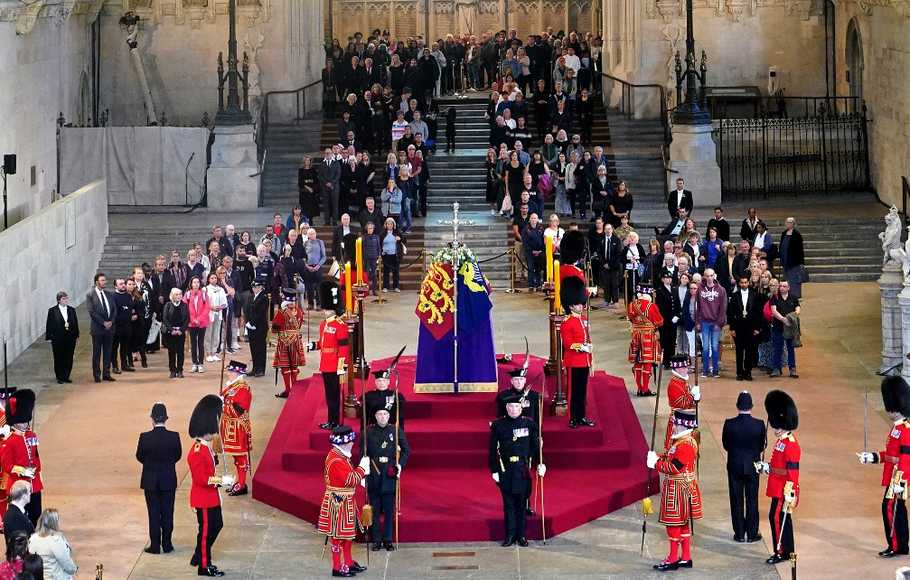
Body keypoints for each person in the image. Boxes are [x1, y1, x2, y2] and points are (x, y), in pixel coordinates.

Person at [857, 376, 910, 558]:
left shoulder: (905, 429)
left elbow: (906, 458)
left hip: (898, 477)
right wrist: (872, 457)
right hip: (895, 474)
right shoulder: (897, 428)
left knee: (890, 508)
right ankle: (901, 544)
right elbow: (891, 455)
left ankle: (896, 545)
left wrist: (901, 481)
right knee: (896, 509)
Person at [646, 409, 703, 571]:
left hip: (678, 488)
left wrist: (656, 464)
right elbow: (670, 457)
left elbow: (674, 467)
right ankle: (685, 557)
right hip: (681, 487)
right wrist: (657, 457)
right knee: (683, 523)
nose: (673, 427)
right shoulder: (682, 441)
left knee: (673, 524)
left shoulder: (685, 445)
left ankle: (672, 558)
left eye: (676, 424)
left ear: (682, 425)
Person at [489, 391, 546, 547]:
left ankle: (521, 535)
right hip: (505, 469)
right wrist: (494, 470)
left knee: (521, 505)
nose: (514, 409)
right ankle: (510, 535)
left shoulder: (529, 425)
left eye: (516, 406)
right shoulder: (498, 426)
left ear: (521, 408)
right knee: (508, 505)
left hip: (522, 470)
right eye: (511, 406)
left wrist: (541, 464)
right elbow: (492, 449)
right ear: (506, 408)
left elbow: (536, 448)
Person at [187, 395, 234, 577]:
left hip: (211, 498)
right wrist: (222, 480)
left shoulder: (206, 447)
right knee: (206, 533)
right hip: (203, 499)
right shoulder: (198, 451)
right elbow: (202, 479)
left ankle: (199, 556)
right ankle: (204, 565)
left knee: (217, 525)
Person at [755, 390, 801, 565]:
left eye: (777, 425)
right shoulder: (782, 441)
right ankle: (786, 550)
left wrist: (791, 492)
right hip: (778, 486)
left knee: (776, 518)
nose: (774, 428)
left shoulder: (791, 445)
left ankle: (781, 551)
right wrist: (766, 468)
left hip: (784, 489)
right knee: (780, 519)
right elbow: (778, 467)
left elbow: (792, 473)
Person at [319, 425, 369, 577]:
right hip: (338, 503)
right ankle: (336, 566)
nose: (353, 443)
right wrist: (362, 468)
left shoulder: (340, 455)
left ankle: (348, 562)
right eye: (350, 441)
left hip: (345, 501)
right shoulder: (336, 460)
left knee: (348, 534)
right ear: (343, 443)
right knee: (338, 536)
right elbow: (350, 479)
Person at [135, 402, 181, 555]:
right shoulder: (174, 437)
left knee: (153, 513)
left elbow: (139, 456)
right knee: (168, 512)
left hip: (150, 481)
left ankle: (155, 545)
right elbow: (177, 456)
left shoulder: (145, 437)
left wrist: (150, 465)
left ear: (152, 419)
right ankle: (167, 544)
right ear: (166, 419)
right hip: (168, 480)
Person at [363, 408, 410, 552]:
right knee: (375, 510)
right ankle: (376, 540)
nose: (382, 417)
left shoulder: (395, 431)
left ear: (389, 416)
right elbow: (362, 453)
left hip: (389, 473)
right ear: (375, 416)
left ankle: (388, 539)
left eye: (385, 414)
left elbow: (406, 450)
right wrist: (363, 471)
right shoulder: (368, 432)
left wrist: (399, 465)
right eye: (379, 414)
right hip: (374, 472)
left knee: (389, 510)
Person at [722, 391, 766, 544]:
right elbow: (761, 446)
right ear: (751, 406)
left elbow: (726, 444)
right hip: (753, 466)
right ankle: (752, 533)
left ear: (737, 406)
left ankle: (739, 533)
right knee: (752, 500)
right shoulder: (759, 425)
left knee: (736, 499)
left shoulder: (729, 424)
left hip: (734, 465)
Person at [307, 281, 349, 429]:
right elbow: (322, 343)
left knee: (334, 397)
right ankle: (331, 420)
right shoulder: (323, 324)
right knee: (329, 396)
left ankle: (335, 421)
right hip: (325, 364)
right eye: (325, 309)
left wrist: (341, 366)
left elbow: (344, 347)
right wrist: (313, 345)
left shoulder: (340, 325)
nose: (325, 311)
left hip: (334, 365)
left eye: (327, 309)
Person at [2, 390, 41, 526]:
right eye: (22, 421)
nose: (25, 423)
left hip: (34, 483)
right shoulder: (9, 441)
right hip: (18, 484)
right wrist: (24, 471)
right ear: (15, 422)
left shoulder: (32, 436)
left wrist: (37, 472)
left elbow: (35, 457)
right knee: (22, 517)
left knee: (36, 513)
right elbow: (7, 465)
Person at [561, 276, 595, 428]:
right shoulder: (567, 323)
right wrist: (582, 347)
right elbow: (568, 344)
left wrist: (589, 348)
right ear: (570, 305)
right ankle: (573, 418)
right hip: (574, 361)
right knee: (573, 392)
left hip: (584, 361)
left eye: (581, 303)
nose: (581, 306)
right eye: (577, 304)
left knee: (582, 392)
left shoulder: (582, 319)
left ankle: (581, 416)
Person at [220, 361, 253, 496]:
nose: (228, 373)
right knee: (236, 457)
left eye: (230, 371)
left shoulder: (243, 388)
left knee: (240, 457)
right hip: (230, 426)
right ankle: (239, 481)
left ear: (237, 373)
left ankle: (242, 484)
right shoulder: (233, 386)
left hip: (237, 427)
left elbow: (238, 411)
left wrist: (223, 404)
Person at [627, 284, 662, 397]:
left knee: (637, 361)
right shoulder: (651, 306)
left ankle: (639, 388)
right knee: (647, 362)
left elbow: (631, 319)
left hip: (636, 335)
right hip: (648, 336)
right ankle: (645, 389)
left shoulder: (631, 305)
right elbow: (659, 321)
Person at [272, 289, 307, 399]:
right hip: (296, 340)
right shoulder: (299, 311)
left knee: (285, 366)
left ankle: (288, 390)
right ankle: (295, 390)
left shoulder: (282, 313)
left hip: (284, 341)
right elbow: (300, 324)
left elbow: (274, 329)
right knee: (294, 366)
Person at [728, 275, 762, 381]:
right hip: (738, 327)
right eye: (742, 282)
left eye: (745, 282)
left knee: (749, 351)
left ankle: (748, 372)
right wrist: (732, 328)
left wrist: (757, 328)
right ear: (739, 284)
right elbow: (730, 313)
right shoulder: (734, 296)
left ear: (748, 283)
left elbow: (758, 313)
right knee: (739, 351)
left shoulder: (754, 295)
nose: (743, 284)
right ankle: (739, 373)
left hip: (750, 327)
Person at [28, 508, 77, 580]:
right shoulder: (56, 541)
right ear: (54, 523)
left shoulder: (33, 538)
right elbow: (67, 564)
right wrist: (74, 569)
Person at [695, 269, 727, 378]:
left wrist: (720, 323)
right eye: (707, 276)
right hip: (704, 322)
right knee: (705, 347)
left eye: (711, 275)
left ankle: (715, 370)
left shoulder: (721, 290)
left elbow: (723, 308)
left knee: (714, 347)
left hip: (716, 322)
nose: (709, 278)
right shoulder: (700, 289)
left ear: (714, 276)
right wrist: (698, 321)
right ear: (704, 277)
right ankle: (705, 370)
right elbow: (697, 307)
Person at [663, 354, 699, 450]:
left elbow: (688, 400)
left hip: (687, 419)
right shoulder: (673, 385)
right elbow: (682, 404)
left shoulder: (682, 381)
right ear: (678, 369)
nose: (686, 369)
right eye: (684, 367)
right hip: (679, 422)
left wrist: (696, 399)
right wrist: (692, 395)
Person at [87, 273, 115, 383]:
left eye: (105, 280)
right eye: (102, 280)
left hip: (110, 328)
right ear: (97, 282)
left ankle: (107, 373)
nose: (105, 282)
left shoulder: (108, 294)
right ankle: (97, 375)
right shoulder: (90, 295)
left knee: (108, 352)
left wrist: (111, 322)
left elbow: (114, 309)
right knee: (97, 352)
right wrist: (103, 323)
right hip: (98, 329)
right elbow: (92, 312)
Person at [45, 291, 79, 384]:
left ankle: (66, 376)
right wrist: (50, 337)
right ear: (59, 300)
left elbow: (75, 323)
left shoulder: (71, 310)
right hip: (58, 338)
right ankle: (59, 376)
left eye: (66, 298)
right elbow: (49, 324)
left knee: (69, 357)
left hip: (70, 338)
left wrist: (76, 335)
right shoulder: (52, 311)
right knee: (59, 357)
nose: (66, 300)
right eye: (63, 299)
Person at [770, 280, 800, 378]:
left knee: (790, 348)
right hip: (778, 327)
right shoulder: (774, 297)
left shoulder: (793, 298)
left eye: (784, 286)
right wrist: (783, 319)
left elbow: (798, 309)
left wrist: (791, 317)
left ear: (788, 288)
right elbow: (774, 311)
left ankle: (792, 369)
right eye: (781, 286)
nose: (782, 288)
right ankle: (776, 368)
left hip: (790, 327)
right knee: (777, 348)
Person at [365, 365, 406, 429]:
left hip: (391, 429)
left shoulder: (396, 396)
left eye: (384, 381)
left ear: (388, 382)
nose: (381, 383)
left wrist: (400, 431)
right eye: (379, 381)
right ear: (375, 382)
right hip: (373, 429)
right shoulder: (369, 396)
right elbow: (365, 416)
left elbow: (400, 416)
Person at [655, 270, 681, 366]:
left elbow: (677, 304)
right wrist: (670, 318)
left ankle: (671, 359)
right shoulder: (660, 291)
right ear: (662, 279)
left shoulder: (674, 289)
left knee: (672, 340)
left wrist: (677, 315)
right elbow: (661, 308)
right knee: (665, 341)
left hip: (674, 320)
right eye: (666, 278)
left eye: (669, 278)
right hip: (665, 321)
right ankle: (665, 361)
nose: (668, 280)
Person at [162, 288, 189, 379]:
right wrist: (171, 330)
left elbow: (187, 320)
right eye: (176, 294)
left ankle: (180, 370)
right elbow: (165, 319)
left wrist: (181, 330)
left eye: (180, 294)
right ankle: (172, 370)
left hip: (180, 332)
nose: (179, 296)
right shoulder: (168, 305)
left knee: (180, 352)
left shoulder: (185, 305)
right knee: (172, 352)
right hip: (170, 333)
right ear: (172, 295)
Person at [244, 279, 269, 377]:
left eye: (257, 287)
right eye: (254, 287)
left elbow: (261, 313)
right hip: (250, 326)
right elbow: (247, 310)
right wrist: (248, 322)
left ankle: (260, 369)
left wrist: (253, 322)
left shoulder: (264, 297)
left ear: (261, 287)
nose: (255, 289)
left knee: (260, 348)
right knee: (253, 348)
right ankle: (255, 368)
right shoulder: (251, 297)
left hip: (260, 326)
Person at [185, 277, 210, 373]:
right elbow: (185, 308)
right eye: (194, 282)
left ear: (200, 284)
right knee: (193, 344)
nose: (196, 284)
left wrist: (199, 319)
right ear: (191, 284)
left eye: (197, 282)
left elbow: (207, 308)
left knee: (200, 343)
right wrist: (193, 319)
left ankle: (201, 364)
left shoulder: (204, 294)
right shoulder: (187, 294)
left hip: (201, 323)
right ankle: (194, 363)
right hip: (191, 323)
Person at [779, 217, 806, 299]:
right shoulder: (784, 233)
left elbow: (800, 250)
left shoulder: (797, 235)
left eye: (790, 222)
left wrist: (801, 262)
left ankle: (796, 295)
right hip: (785, 260)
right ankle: (786, 294)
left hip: (794, 261)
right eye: (787, 222)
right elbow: (781, 245)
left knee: (794, 279)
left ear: (793, 224)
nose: (788, 223)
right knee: (786, 277)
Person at [318, 148, 342, 226]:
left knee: (335, 205)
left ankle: (334, 221)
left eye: (329, 153)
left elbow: (338, 175)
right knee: (326, 205)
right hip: (325, 188)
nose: (328, 154)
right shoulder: (322, 164)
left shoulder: (336, 163)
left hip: (334, 188)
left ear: (332, 154)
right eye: (326, 153)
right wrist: (326, 183)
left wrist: (331, 183)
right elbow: (320, 176)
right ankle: (327, 221)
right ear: (324, 154)